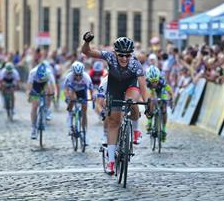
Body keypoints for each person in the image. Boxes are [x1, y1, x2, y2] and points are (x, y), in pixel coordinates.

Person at [81, 31, 150, 175]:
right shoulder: (109, 56)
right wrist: (87, 41)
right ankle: (111, 162)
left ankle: (135, 128)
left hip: (131, 86)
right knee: (114, 122)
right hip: (114, 87)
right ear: (115, 53)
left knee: (131, 102)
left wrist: (148, 104)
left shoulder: (135, 64)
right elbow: (86, 52)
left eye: (127, 55)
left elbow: (143, 87)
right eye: (121, 55)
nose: (124, 58)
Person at [62, 61, 94, 143]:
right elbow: (65, 89)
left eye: (80, 75)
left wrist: (92, 98)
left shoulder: (86, 77)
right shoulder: (69, 77)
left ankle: (84, 133)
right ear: (73, 73)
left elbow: (91, 89)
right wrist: (67, 97)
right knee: (72, 98)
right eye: (76, 75)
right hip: (72, 90)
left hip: (82, 91)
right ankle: (70, 115)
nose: (79, 77)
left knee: (84, 111)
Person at [27, 62, 56, 139]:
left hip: (45, 84)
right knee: (34, 106)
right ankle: (33, 127)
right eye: (40, 77)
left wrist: (52, 95)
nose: (40, 79)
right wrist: (29, 95)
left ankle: (47, 108)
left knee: (49, 92)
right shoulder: (32, 73)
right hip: (35, 85)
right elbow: (29, 86)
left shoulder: (49, 73)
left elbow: (53, 85)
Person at [145, 65, 173, 142]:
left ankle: (163, 129)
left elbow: (170, 91)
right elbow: (146, 94)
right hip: (151, 91)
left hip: (161, 90)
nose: (154, 83)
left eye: (156, 81)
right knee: (152, 101)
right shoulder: (146, 82)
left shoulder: (161, 81)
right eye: (152, 81)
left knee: (164, 108)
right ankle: (149, 122)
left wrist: (171, 99)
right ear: (149, 79)